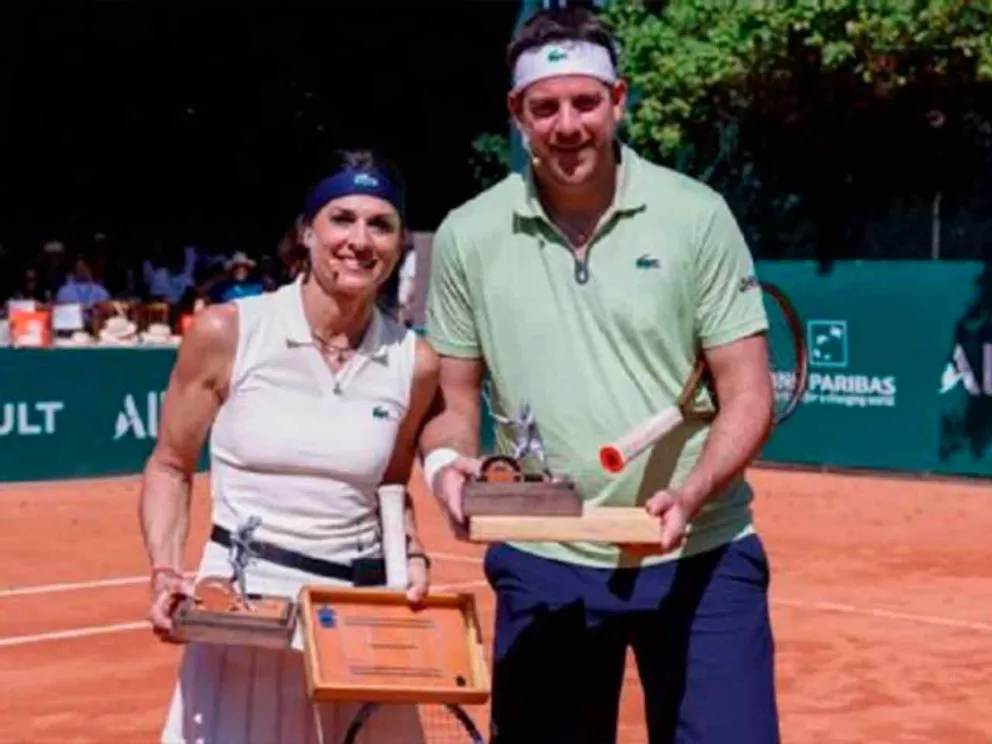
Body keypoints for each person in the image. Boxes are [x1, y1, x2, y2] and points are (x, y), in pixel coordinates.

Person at [421, 7, 779, 744]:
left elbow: (748, 394)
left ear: (618, 101)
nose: (567, 124)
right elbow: (453, 406)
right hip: (544, 556)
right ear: (518, 115)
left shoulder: (696, 216)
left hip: (700, 555)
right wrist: (449, 469)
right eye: (545, 107)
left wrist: (692, 490)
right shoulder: (467, 234)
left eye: (585, 102)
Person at [139, 148, 440, 744]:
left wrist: (415, 554)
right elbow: (170, 466)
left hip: (355, 622)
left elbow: (390, 487)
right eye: (342, 219)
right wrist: (166, 572)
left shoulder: (414, 362)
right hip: (244, 617)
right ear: (307, 231)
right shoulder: (229, 332)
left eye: (380, 224)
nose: (360, 240)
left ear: (399, 241)